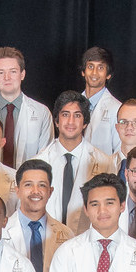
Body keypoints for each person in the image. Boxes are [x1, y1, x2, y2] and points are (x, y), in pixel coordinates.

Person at [39, 92, 112, 228]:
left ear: (85, 123)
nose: (71, 121)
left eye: (77, 115)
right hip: (48, 240)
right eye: (65, 115)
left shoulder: (104, 163)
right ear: (56, 121)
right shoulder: (39, 162)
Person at [0, 46, 51, 165]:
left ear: (22, 74)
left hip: (28, 181)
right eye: (1, 72)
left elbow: (46, 156)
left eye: (13, 71)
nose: (7, 77)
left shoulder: (42, 112)